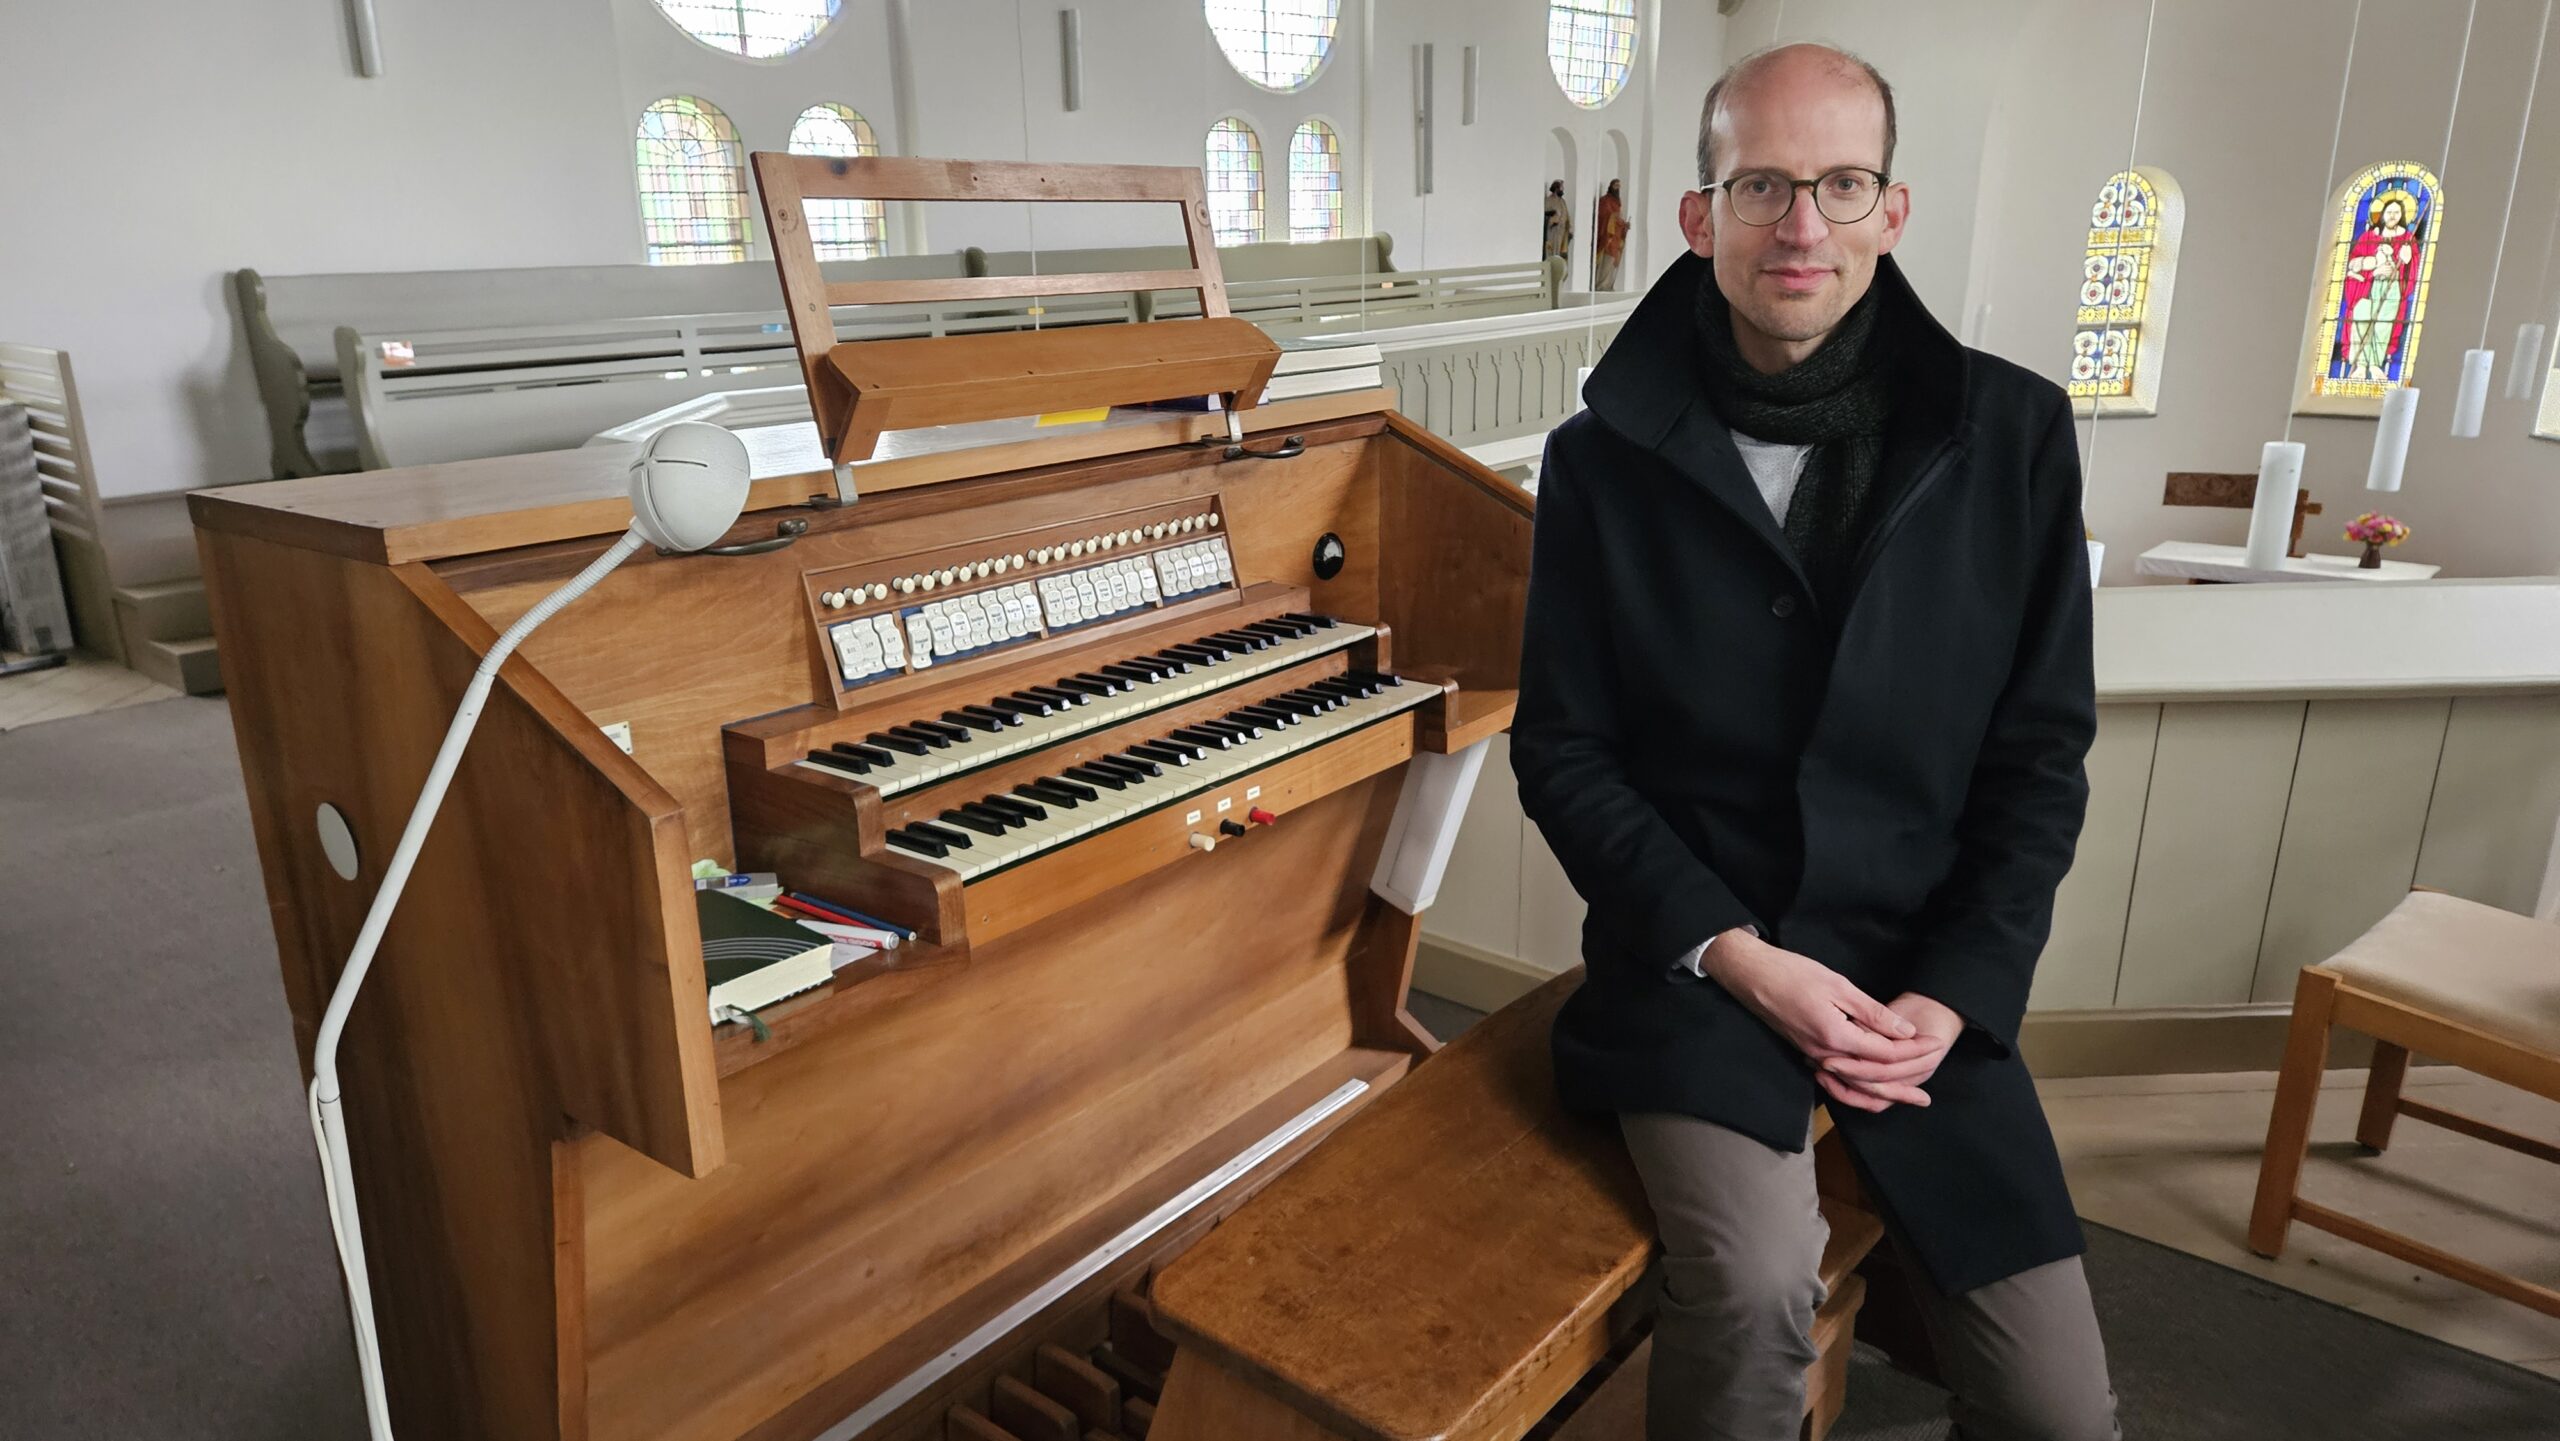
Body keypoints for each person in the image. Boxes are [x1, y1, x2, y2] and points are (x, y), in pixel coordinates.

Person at [1511, 43, 2119, 1441]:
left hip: (1919, 981)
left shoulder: (2013, 431)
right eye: (1764, 185)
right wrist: (1736, 953)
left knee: (2059, 1411)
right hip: (1703, 970)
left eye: (1841, 184)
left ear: (1891, 211)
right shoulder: (1603, 462)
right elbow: (1565, 754)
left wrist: (1958, 993)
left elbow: (2040, 758)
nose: (1803, 226)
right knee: (1754, 1288)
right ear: (1700, 214)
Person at [1594, 179, 1630, 290]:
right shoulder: (1605, 201)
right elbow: (1607, 216)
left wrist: (1625, 225)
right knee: (1606, 261)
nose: (1617, 188)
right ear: (1611, 186)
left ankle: (1609, 285)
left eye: (1619, 186)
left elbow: (1617, 218)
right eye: (1616, 185)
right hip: (1608, 237)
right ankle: (1601, 285)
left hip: (1616, 237)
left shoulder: (1617, 202)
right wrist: (1619, 221)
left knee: (1613, 263)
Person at [1544, 179, 1574, 266]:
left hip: (1562, 231)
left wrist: (1570, 228)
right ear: (1556, 188)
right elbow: (1545, 216)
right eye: (1561, 188)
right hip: (1553, 231)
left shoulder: (1562, 201)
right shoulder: (1549, 201)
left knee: (1560, 253)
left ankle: (1558, 269)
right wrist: (1552, 220)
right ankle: (1551, 269)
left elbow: (1567, 216)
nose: (1563, 190)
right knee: (1552, 252)